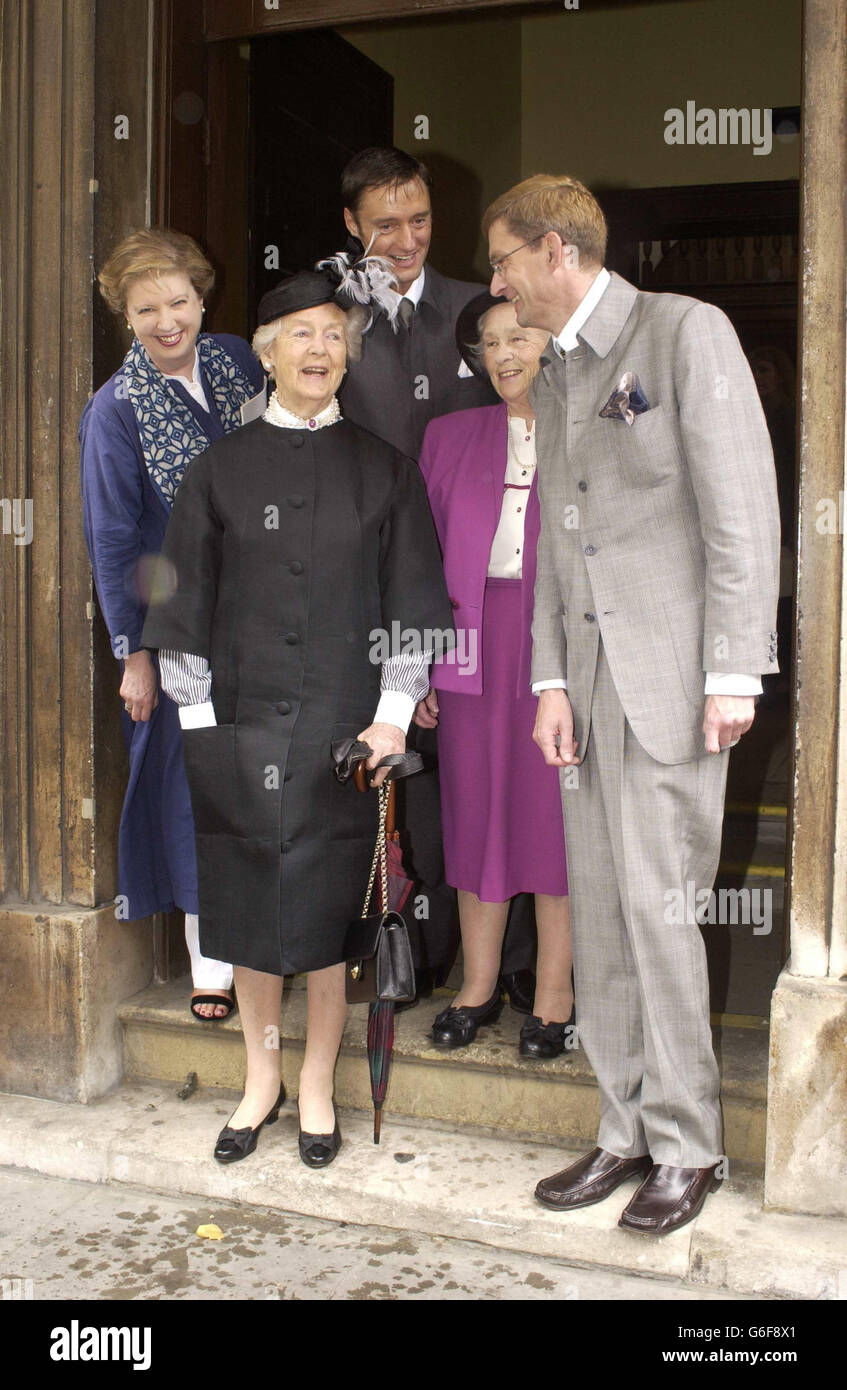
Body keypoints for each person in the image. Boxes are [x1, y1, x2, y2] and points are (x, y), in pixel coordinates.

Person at [483, 175, 779, 1234]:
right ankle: (623, 1129)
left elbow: (740, 504)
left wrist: (733, 668)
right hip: (589, 694)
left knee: (660, 918)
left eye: (505, 259)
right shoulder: (556, 373)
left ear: (554, 250)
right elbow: (564, 536)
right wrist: (550, 680)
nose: (497, 280)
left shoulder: (683, 332)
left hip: (673, 683)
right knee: (602, 916)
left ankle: (689, 1146)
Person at [140, 262, 453, 1168]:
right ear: (268, 356)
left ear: (347, 357)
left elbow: (410, 606)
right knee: (247, 915)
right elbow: (183, 605)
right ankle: (260, 1079)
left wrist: (391, 719)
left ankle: (316, 1083)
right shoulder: (218, 468)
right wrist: (202, 732)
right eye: (300, 337)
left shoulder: (385, 472)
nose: (319, 350)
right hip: (235, 726)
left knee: (325, 922)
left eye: (333, 336)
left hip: (343, 735)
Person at [338, 144, 537, 1012]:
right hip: (375, 580)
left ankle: (521, 968)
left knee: (511, 781)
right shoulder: (331, 320)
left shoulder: (482, 309)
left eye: (419, 220)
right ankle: (411, 954)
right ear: (350, 226)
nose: (407, 238)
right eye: (385, 225)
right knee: (415, 780)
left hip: (485, 586)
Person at [79, 227, 266, 1021]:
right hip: (182, 628)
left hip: (266, 612)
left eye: (179, 301)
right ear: (125, 315)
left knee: (268, 779)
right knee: (197, 791)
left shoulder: (237, 361)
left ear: (203, 297)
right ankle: (212, 964)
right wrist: (136, 653)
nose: (167, 321)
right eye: (146, 307)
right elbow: (115, 536)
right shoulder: (114, 411)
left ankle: (279, 940)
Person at [416, 296, 573, 1058]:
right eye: (489, 343)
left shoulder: (591, 428)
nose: (504, 353)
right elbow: (414, 564)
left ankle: (553, 994)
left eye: (521, 336)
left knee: (555, 823)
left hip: (561, 654)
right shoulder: (446, 436)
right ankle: (476, 988)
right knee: (473, 819)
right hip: (466, 648)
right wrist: (415, 673)